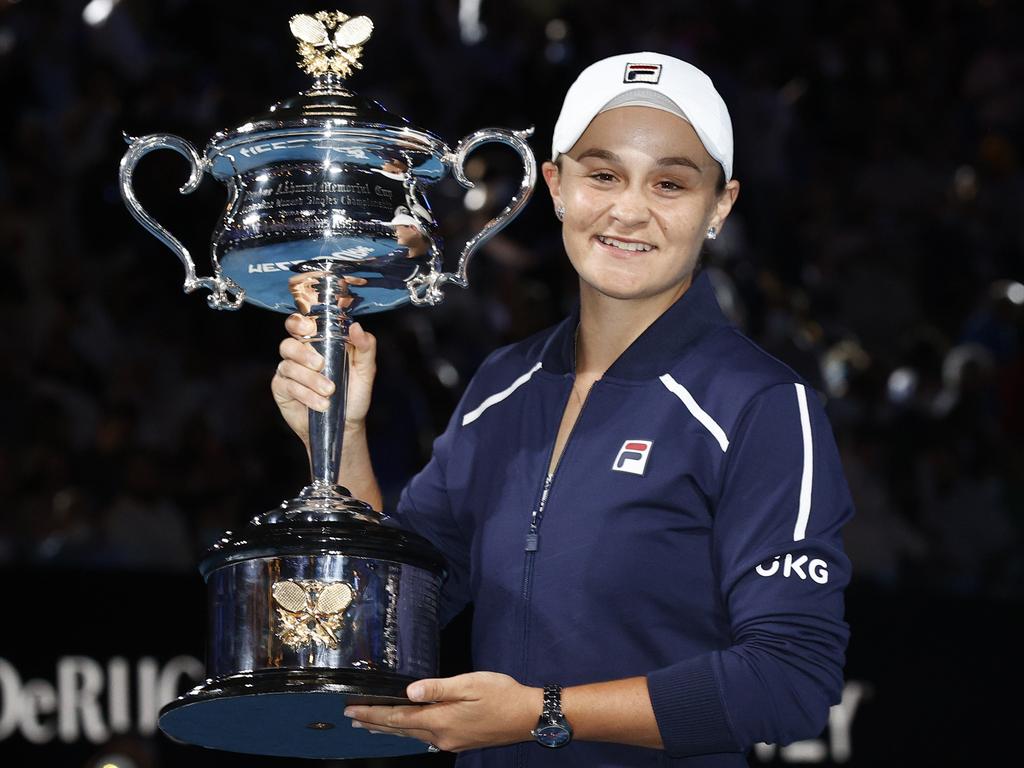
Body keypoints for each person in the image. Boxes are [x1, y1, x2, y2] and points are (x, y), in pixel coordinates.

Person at [272, 52, 853, 767]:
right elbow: (392, 620)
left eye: (670, 183)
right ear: (555, 184)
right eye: (602, 175)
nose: (628, 210)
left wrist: (542, 713)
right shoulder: (501, 386)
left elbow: (789, 680)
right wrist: (342, 436)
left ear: (720, 206)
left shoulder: (760, 405)